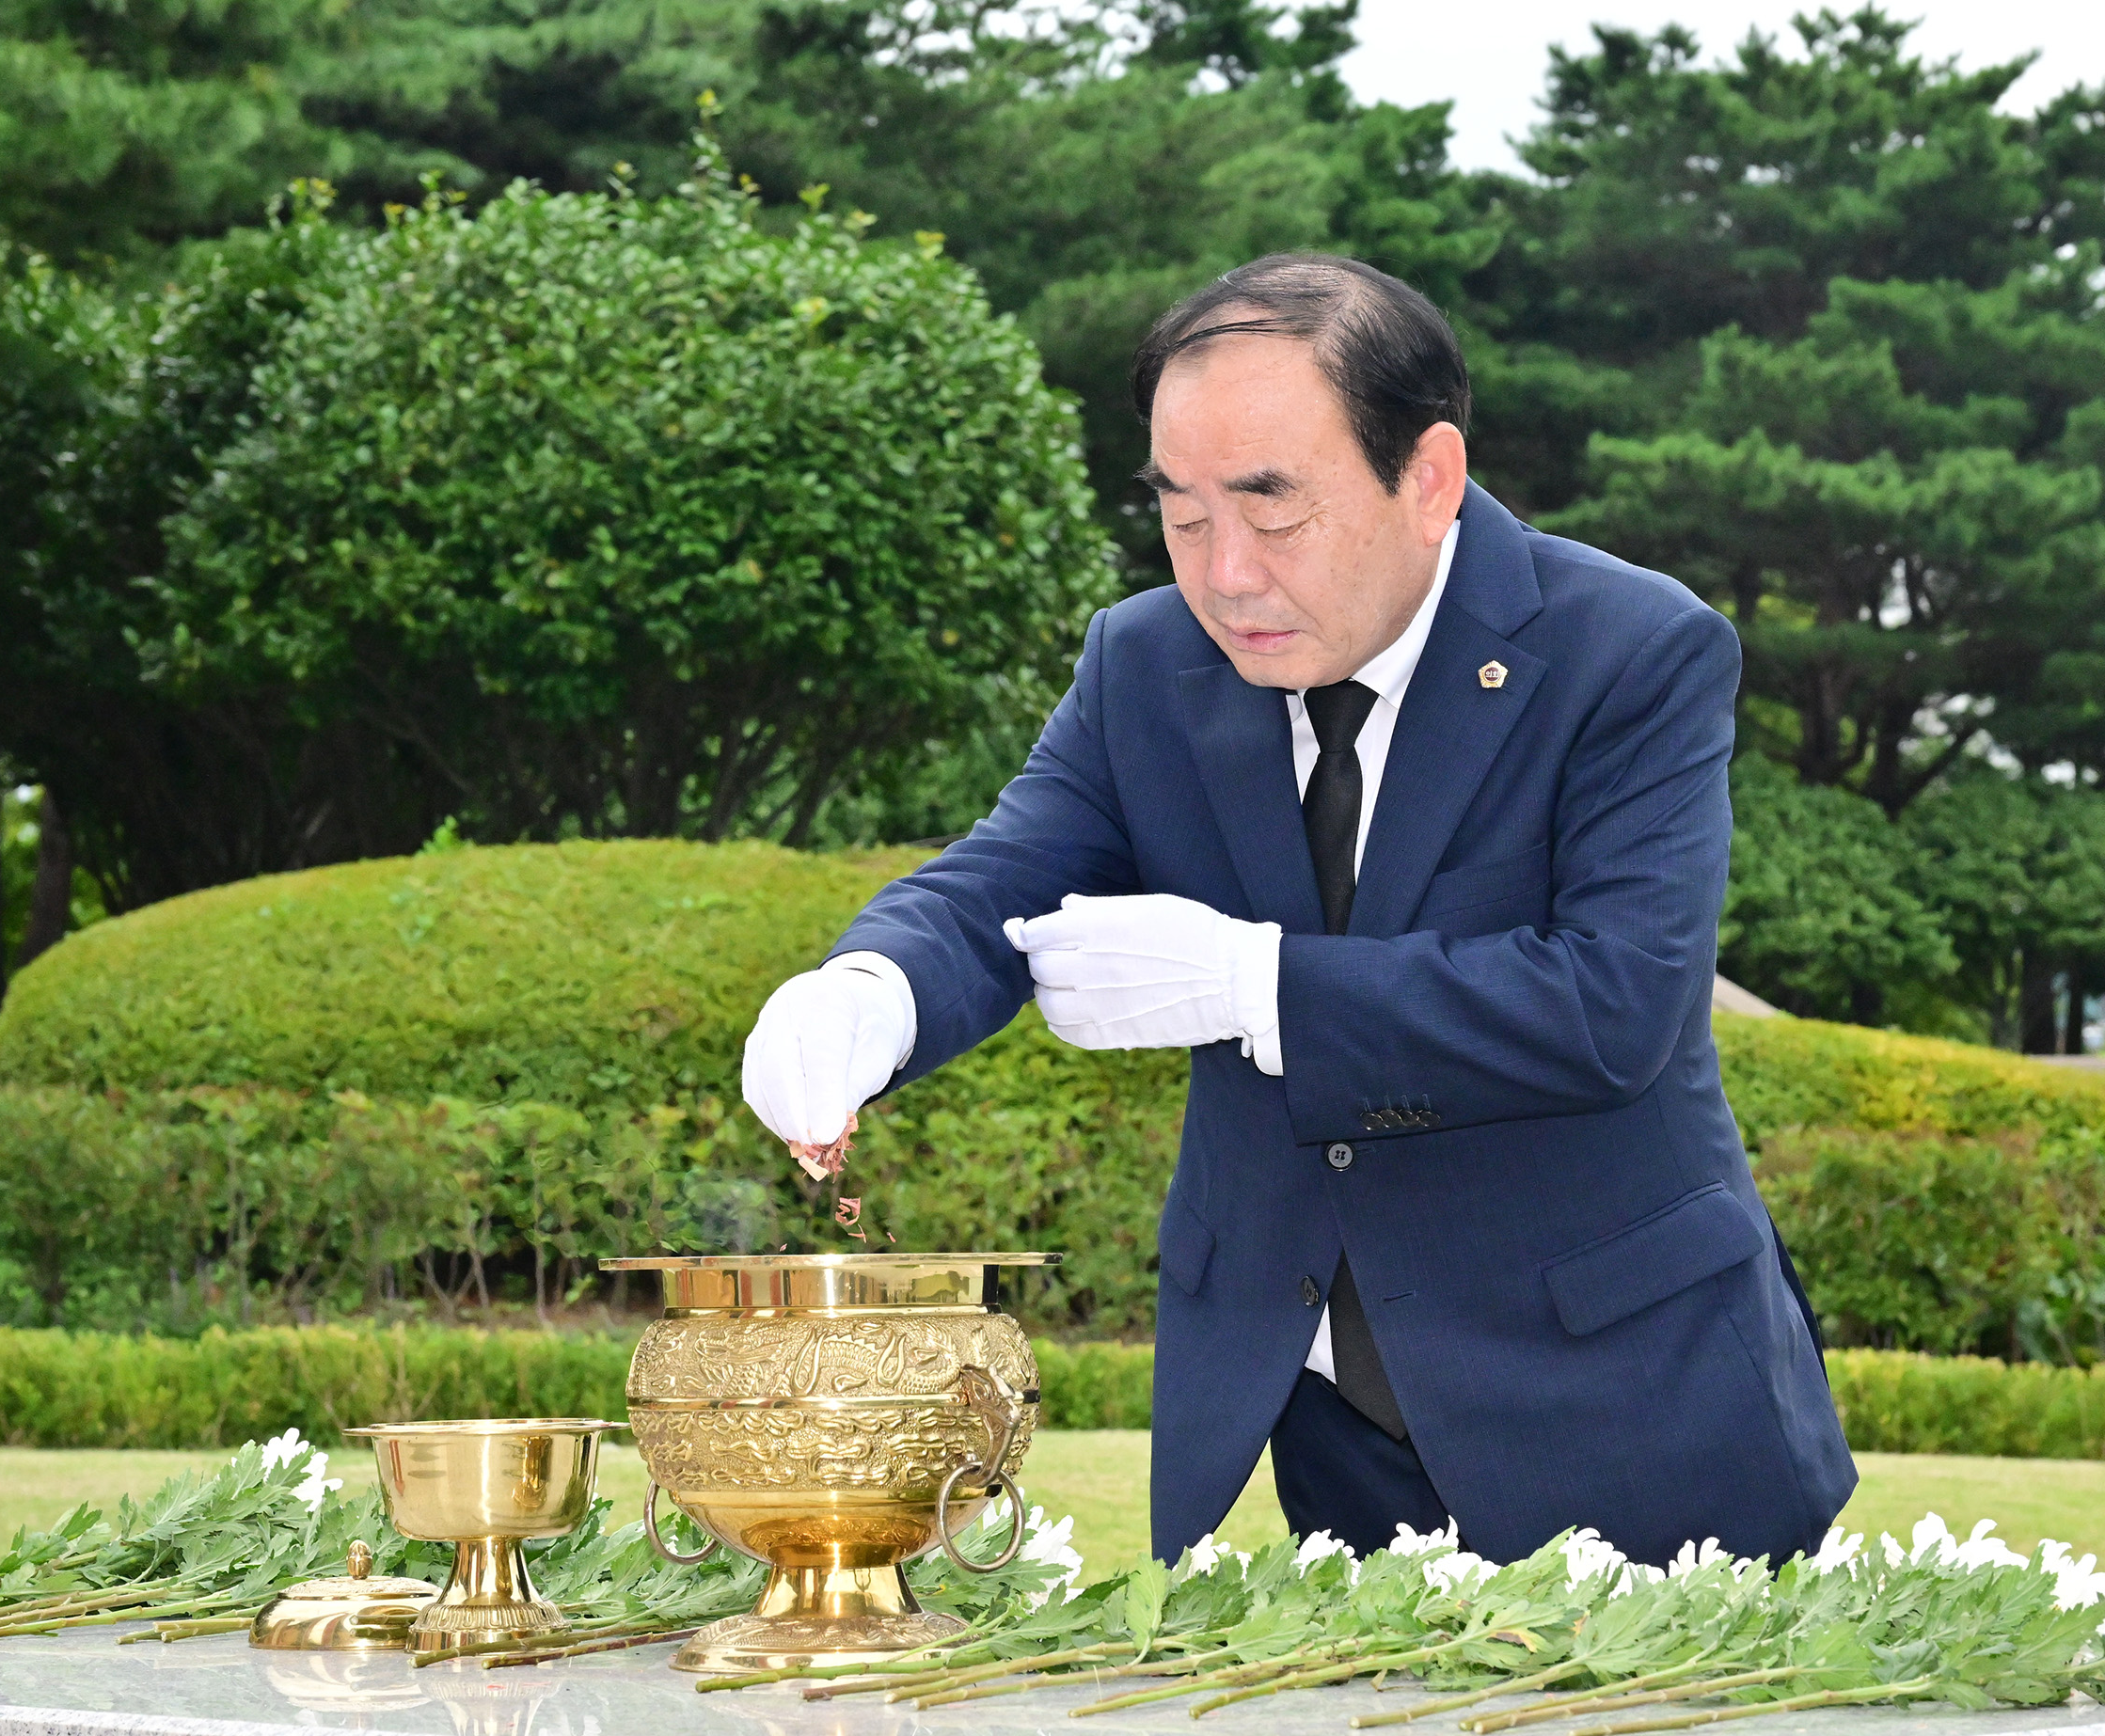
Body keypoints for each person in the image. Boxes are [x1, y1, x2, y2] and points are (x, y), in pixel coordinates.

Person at [738, 253, 1855, 1568]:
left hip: (1631, 1406)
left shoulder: (1633, 651)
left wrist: (1258, 988)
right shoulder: (1146, 664)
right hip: (1327, 1426)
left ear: (1427, 479)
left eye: (1272, 512)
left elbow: (1615, 1004)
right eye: (1181, 515)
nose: (1224, 578)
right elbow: (1005, 881)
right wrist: (872, 991)